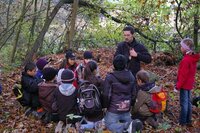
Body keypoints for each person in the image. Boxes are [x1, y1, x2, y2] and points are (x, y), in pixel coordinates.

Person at [102, 54, 143, 133]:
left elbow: (106, 95)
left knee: (107, 124)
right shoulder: (131, 76)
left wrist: (105, 107)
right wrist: (131, 105)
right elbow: (134, 93)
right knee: (127, 121)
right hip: (126, 109)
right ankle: (130, 125)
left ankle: (126, 127)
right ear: (125, 64)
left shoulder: (110, 77)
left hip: (113, 110)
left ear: (114, 64)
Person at [175, 38, 200, 126]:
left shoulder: (186, 60)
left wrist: (177, 86)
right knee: (188, 102)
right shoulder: (192, 58)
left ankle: (182, 122)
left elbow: (183, 76)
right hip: (189, 84)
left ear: (186, 48)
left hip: (184, 85)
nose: (180, 48)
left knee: (184, 103)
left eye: (181, 46)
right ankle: (188, 120)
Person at [80, 60, 104, 130]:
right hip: (98, 113)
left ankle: (87, 126)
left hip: (87, 114)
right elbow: (104, 97)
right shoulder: (99, 82)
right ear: (95, 70)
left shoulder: (82, 84)